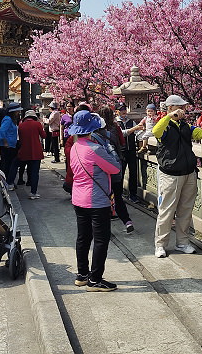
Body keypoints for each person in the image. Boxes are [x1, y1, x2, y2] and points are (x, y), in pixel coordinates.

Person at [152, 94, 202, 258]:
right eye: (180, 107)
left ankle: (182, 242)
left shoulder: (186, 126)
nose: (184, 110)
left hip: (188, 173)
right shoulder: (165, 125)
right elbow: (156, 131)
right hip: (170, 175)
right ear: (171, 108)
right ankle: (160, 245)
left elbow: (201, 134)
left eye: (184, 107)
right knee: (166, 212)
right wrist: (169, 116)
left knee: (185, 211)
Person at [69, 110, 122, 292]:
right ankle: (95, 279)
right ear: (91, 130)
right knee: (101, 239)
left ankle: (82, 275)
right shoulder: (95, 149)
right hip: (96, 200)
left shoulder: (75, 147)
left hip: (78, 198)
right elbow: (115, 168)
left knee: (83, 237)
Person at [97, 106, 138, 233]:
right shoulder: (116, 127)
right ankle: (127, 221)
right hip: (116, 164)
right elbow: (122, 142)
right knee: (118, 195)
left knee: (104, 195)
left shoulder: (95, 131)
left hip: (102, 169)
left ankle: (106, 223)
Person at [12, 110, 45, 198]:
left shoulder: (21, 126)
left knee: (19, 166)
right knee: (35, 172)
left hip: (24, 151)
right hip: (36, 151)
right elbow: (44, 135)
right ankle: (33, 193)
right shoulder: (37, 124)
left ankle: (12, 182)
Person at [116, 103, 145, 203]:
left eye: (124, 109)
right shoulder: (116, 123)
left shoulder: (131, 122)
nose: (123, 111)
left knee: (133, 173)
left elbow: (137, 134)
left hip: (132, 150)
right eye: (121, 110)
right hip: (121, 152)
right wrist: (135, 128)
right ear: (117, 111)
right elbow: (122, 134)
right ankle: (118, 195)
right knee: (121, 174)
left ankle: (133, 195)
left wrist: (143, 135)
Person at [0, 102, 22, 180]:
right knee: (8, 165)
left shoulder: (12, 120)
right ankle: (7, 180)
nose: (18, 112)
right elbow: (2, 131)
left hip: (12, 145)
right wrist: (5, 142)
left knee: (10, 164)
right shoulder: (8, 119)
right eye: (17, 111)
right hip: (7, 146)